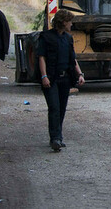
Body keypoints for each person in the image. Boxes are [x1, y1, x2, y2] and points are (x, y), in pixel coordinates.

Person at [38, 9, 85, 151]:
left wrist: (80, 74)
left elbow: (73, 59)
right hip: (51, 78)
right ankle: (55, 138)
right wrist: (44, 76)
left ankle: (58, 136)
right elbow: (41, 57)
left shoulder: (68, 38)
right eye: (70, 22)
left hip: (65, 79)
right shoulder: (46, 37)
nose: (71, 24)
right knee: (54, 107)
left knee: (61, 108)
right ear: (64, 22)